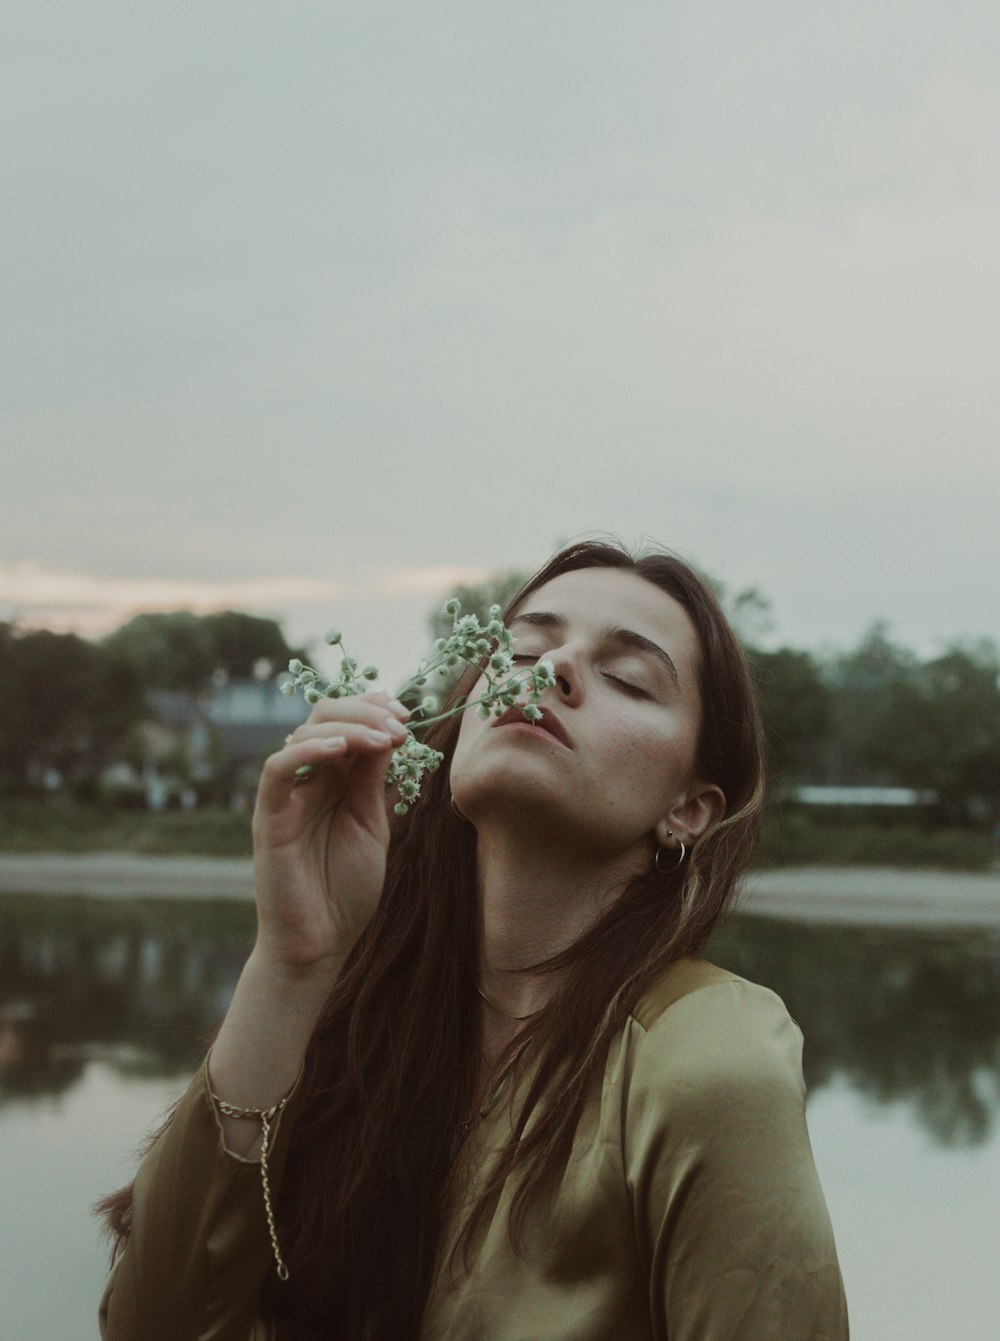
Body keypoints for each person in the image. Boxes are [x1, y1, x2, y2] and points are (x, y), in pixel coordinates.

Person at [98, 539, 849, 1341]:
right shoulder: (353, 1020)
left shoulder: (708, 1056)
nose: (550, 669)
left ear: (689, 809)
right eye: (525, 646)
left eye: (628, 677)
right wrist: (292, 962)